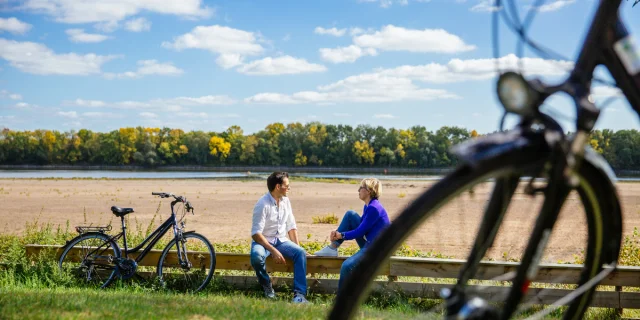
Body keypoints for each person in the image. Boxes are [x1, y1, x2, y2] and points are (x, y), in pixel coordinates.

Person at [314, 177, 390, 290]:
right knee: (351, 215)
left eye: (361, 188)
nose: (358, 190)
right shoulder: (368, 206)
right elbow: (361, 228)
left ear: (368, 191)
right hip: (370, 243)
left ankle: (342, 300)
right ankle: (333, 247)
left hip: (376, 249)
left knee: (346, 266)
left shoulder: (374, 208)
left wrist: (341, 235)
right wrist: (338, 234)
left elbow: (360, 231)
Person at [250, 171, 309, 304]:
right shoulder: (262, 204)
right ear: (278, 187)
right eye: (287, 185)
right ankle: (267, 286)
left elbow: (291, 226)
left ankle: (299, 295)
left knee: (300, 253)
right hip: (263, 242)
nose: (289, 188)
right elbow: (256, 233)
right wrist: (273, 250)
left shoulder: (286, 201)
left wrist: (298, 247)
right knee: (256, 257)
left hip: (281, 241)